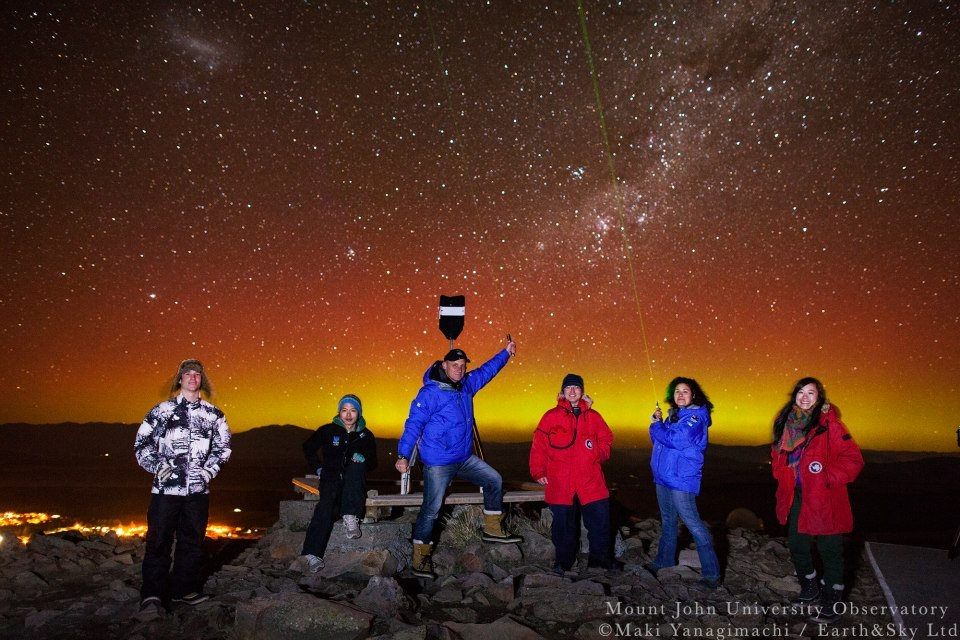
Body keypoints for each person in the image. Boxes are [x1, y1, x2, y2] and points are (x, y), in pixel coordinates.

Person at [395, 340, 522, 578]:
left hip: (463, 458)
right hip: (438, 462)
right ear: (444, 364)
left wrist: (505, 353)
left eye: (463, 365)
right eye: (455, 364)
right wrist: (403, 454)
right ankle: (420, 557)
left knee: (494, 479)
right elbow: (414, 424)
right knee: (432, 509)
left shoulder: (466, 385)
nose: (459, 369)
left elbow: (487, 371)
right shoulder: (430, 392)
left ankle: (493, 528)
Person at [134, 359, 232, 618]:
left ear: (202, 380)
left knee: (192, 542)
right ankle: (152, 594)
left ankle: (184, 590)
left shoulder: (214, 415)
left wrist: (208, 471)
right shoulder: (161, 411)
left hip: (198, 493)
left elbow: (223, 448)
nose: (192, 377)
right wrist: (157, 466)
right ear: (179, 379)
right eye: (187, 374)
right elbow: (141, 444)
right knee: (159, 541)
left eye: (197, 374)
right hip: (165, 492)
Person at [771, 377, 863, 624]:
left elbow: (854, 460)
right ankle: (809, 588)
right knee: (797, 544)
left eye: (811, 393)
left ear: (819, 397)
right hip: (798, 495)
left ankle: (832, 600)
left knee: (829, 549)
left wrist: (826, 477)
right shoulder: (788, 423)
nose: (805, 396)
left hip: (825, 497)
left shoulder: (829, 424)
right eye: (801, 392)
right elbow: (780, 457)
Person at [529, 373, 615, 573]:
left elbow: (606, 439)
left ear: (582, 392)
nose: (572, 391)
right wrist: (538, 470)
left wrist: (596, 452)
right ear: (562, 392)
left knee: (600, 522)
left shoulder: (593, 416)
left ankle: (600, 560)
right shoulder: (551, 416)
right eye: (569, 388)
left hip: (590, 479)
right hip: (561, 480)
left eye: (576, 388)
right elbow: (538, 446)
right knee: (563, 525)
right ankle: (563, 562)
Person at [646, 376, 721, 588]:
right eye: (677, 391)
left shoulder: (695, 418)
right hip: (663, 477)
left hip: (681, 479)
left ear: (693, 395)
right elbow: (659, 441)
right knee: (668, 522)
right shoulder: (674, 417)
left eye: (685, 391)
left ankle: (712, 575)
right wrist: (659, 424)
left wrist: (656, 426)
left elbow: (676, 440)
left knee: (694, 525)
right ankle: (664, 561)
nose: (680, 394)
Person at [299, 394, 377, 573]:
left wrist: (364, 459)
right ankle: (312, 554)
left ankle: (351, 517)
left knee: (357, 466)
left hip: (353, 485)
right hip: (331, 480)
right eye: (344, 410)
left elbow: (374, 462)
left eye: (353, 410)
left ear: (359, 413)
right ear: (339, 412)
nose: (348, 415)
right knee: (325, 507)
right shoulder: (328, 430)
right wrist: (318, 468)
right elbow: (308, 447)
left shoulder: (366, 435)